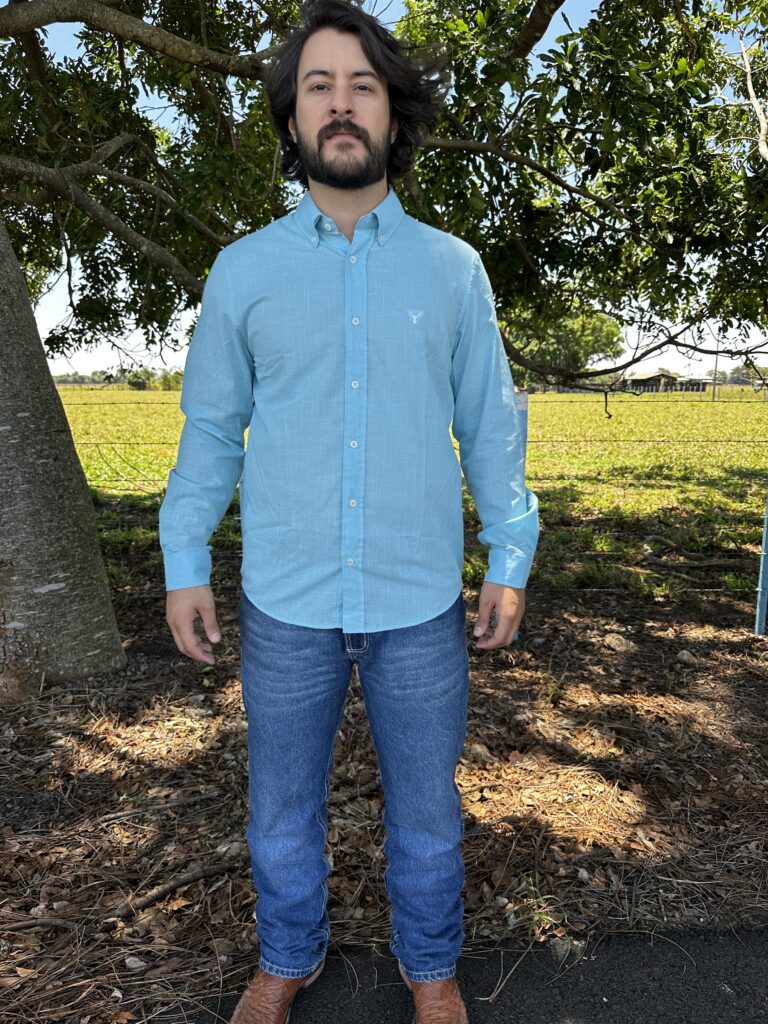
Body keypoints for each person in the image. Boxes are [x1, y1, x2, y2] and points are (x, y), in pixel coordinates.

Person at [159, 1, 539, 1021]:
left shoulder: (453, 270)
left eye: (362, 86)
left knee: (429, 815)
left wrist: (510, 553)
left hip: (419, 601)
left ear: (391, 113)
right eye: (318, 85)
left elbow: (490, 426)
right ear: (292, 117)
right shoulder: (243, 272)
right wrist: (184, 559)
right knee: (280, 812)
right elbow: (211, 430)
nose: (340, 104)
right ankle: (285, 958)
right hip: (286, 600)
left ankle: (432, 968)